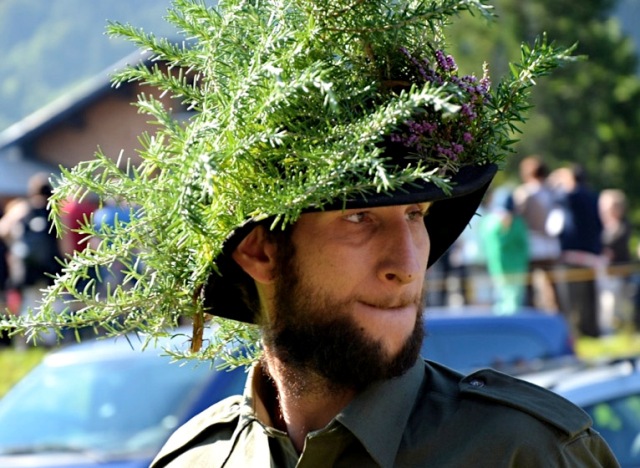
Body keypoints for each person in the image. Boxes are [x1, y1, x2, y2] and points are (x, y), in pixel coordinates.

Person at [547, 165, 604, 338]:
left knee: (571, 298)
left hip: (572, 254)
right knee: (589, 297)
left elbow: (552, 196)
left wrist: (557, 179)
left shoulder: (569, 196)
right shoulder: (593, 196)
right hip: (591, 254)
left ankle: (573, 332)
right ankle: (591, 330)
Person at [512, 155, 561, 312]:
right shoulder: (553, 192)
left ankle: (532, 315)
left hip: (531, 244)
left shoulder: (524, 193)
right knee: (553, 286)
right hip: (551, 246)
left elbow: (517, 217)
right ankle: (557, 315)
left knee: (529, 287)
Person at [480, 189, 529, 315]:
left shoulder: (518, 222)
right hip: (498, 269)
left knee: (515, 299)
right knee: (500, 298)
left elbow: (523, 246)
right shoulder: (490, 223)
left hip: (517, 268)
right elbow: (493, 247)